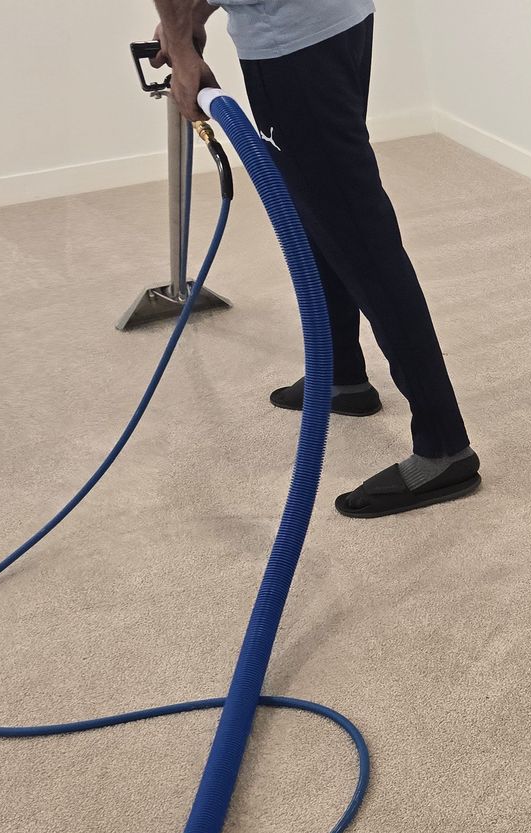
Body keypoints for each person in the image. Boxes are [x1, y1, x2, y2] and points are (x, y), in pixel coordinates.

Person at [153, 0, 481, 518]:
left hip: (293, 44)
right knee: (319, 208)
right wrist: (195, 15)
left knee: (359, 232)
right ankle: (343, 374)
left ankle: (443, 446)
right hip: (336, 19)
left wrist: (179, 36)